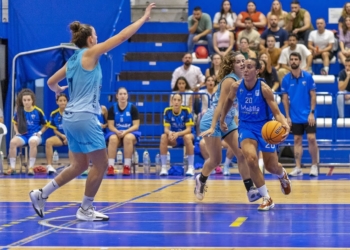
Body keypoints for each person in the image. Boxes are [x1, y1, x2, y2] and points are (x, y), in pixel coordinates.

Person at [29, 3, 155, 221]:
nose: (98, 38)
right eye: (96, 35)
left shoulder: (72, 60)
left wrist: (59, 89)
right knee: (102, 163)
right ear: (90, 40)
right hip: (85, 117)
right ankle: (86, 209)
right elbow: (122, 36)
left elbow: (50, 82)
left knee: (78, 165)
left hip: (69, 118)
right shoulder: (91, 53)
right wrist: (143, 18)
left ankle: (41, 194)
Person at [220, 57, 291, 211]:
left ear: (257, 71)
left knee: (271, 166)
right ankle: (267, 198)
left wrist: (284, 125)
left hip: (265, 127)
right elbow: (228, 101)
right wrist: (222, 118)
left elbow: (277, 112)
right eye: (243, 66)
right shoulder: (236, 87)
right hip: (246, 127)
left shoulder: (264, 89)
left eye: (249, 67)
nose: (245, 69)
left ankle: (282, 175)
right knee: (251, 159)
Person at [195, 52, 262, 203]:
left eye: (243, 60)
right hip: (213, 119)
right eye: (238, 62)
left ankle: (250, 189)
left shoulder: (244, 80)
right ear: (232, 65)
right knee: (215, 160)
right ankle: (201, 179)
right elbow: (220, 105)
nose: (242, 63)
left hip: (228, 119)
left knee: (241, 153)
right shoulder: (230, 80)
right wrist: (213, 126)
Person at [281, 52, 319, 177]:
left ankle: (314, 165)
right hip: (294, 115)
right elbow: (285, 99)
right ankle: (298, 167)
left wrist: (312, 113)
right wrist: (287, 116)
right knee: (297, 140)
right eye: (291, 59)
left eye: (296, 59)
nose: (293, 61)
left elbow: (313, 96)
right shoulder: (286, 79)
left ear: (300, 61)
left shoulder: (307, 77)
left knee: (311, 139)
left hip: (308, 115)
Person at [7, 88, 48, 175]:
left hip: (34, 135)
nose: (26, 102)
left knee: (32, 141)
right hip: (23, 135)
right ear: (22, 101)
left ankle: (30, 167)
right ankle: (13, 167)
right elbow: (15, 123)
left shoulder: (38, 111)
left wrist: (40, 133)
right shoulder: (19, 111)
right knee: (12, 142)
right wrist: (17, 132)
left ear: (32, 100)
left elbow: (46, 125)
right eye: (24, 100)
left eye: (28, 100)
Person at [106, 87, 140, 176]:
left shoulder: (132, 108)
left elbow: (136, 126)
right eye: (120, 94)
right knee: (112, 139)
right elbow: (110, 125)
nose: (123, 96)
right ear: (117, 96)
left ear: (127, 96)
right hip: (116, 132)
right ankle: (110, 167)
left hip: (130, 132)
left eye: (124, 94)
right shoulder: (112, 108)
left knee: (127, 138)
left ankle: (127, 167)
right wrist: (117, 131)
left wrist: (126, 132)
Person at [160, 94, 195, 176]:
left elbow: (189, 130)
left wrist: (178, 134)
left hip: (186, 135)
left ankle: (191, 167)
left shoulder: (186, 110)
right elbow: (166, 129)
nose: (176, 102)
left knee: (187, 137)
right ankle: (164, 167)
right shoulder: (167, 111)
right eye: (174, 100)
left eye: (178, 100)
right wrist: (170, 133)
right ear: (171, 101)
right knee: (163, 136)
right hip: (174, 137)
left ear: (181, 102)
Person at [46, 93, 71, 175]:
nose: (62, 102)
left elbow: (75, 128)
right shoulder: (53, 114)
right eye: (60, 100)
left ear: (67, 102)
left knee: (74, 143)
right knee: (48, 142)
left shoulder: (72, 113)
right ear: (57, 102)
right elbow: (55, 130)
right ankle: (49, 166)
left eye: (64, 100)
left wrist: (68, 137)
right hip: (61, 136)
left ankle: (73, 166)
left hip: (72, 136)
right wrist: (63, 136)